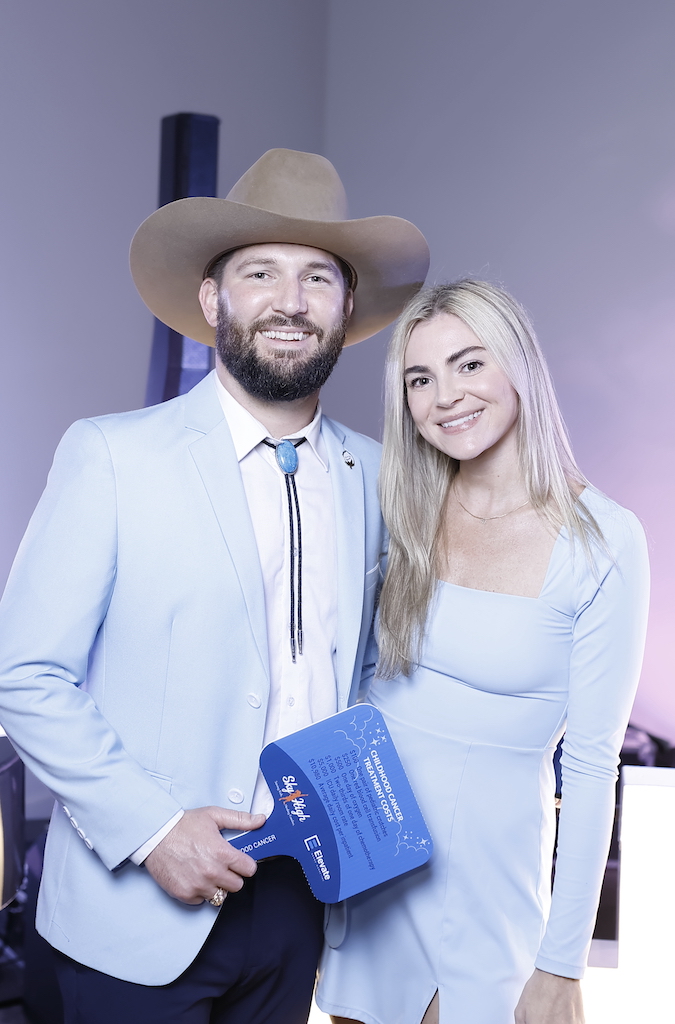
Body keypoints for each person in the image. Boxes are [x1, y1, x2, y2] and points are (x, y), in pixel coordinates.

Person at [0, 148, 429, 1023]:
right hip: (133, 915)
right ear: (212, 300)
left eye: (318, 277)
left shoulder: (381, 479)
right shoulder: (112, 455)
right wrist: (154, 832)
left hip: (299, 909)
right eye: (260, 272)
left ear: (346, 310)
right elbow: (23, 673)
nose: (290, 300)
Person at [316, 280, 649, 1024]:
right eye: (419, 378)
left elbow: (593, 765)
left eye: (469, 365)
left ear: (518, 367)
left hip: (490, 892)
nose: (445, 397)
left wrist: (562, 963)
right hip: (372, 874)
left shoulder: (604, 539)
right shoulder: (400, 505)